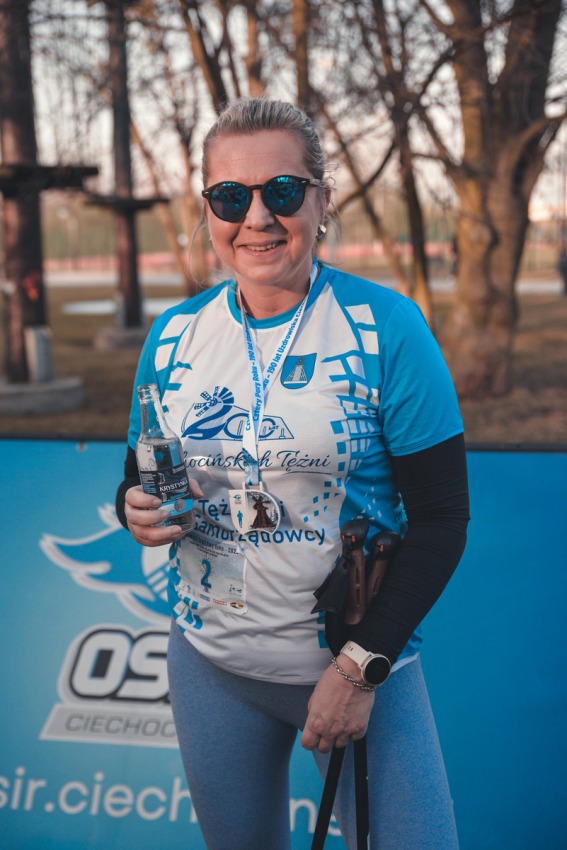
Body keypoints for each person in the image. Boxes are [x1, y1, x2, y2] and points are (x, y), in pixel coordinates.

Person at [116, 97, 469, 850]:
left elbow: (443, 520)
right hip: (212, 668)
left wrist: (360, 669)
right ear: (207, 209)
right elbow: (137, 475)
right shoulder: (174, 334)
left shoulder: (386, 326)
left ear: (320, 198)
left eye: (281, 191)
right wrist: (134, 509)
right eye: (229, 196)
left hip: (359, 670)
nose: (257, 218)